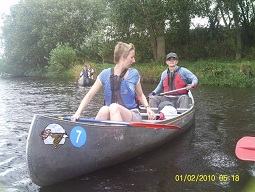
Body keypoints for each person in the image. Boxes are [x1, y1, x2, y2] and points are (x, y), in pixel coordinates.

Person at [72, 42, 155, 122]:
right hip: (111, 113)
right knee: (104, 109)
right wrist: (77, 113)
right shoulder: (105, 74)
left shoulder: (134, 74)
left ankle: (119, 136)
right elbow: (89, 95)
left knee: (114, 107)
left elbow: (140, 95)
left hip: (132, 114)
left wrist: (148, 108)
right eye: (132, 57)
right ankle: (97, 134)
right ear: (123, 57)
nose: (134, 60)